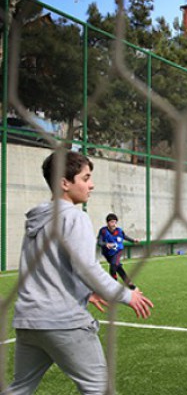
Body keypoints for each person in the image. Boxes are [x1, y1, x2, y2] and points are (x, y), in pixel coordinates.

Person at [4, 150, 153, 395]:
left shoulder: (38, 220)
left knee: (19, 388)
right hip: (63, 321)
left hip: (29, 321)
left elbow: (48, 267)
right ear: (65, 183)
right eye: (85, 178)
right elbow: (87, 268)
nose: (91, 185)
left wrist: (85, 292)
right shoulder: (75, 217)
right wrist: (128, 295)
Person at [97, 213, 139, 290]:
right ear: (107, 222)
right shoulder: (103, 231)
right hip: (107, 253)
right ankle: (131, 285)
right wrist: (106, 244)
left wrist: (133, 240)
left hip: (117, 251)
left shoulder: (119, 231)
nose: (114, 224)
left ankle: (114, 286)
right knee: (118, 268)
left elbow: (124, 236)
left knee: (113, 266)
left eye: (115, 222)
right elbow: (99, 242)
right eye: (112, 222)